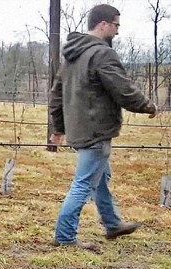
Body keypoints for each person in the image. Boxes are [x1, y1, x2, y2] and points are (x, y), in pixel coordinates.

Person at [49, 4, 159, 250]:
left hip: (81, 129)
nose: (117, 31)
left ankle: (112, 224)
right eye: (116, 25)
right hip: (96, 130)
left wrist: (59, 129)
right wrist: (147, 106)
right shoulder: (102, 53)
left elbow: (56, 95)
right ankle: (65, 237)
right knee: (84, 183)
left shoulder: (71, 54)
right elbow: (122, 89)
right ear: (103, 24)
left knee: (101, 178)